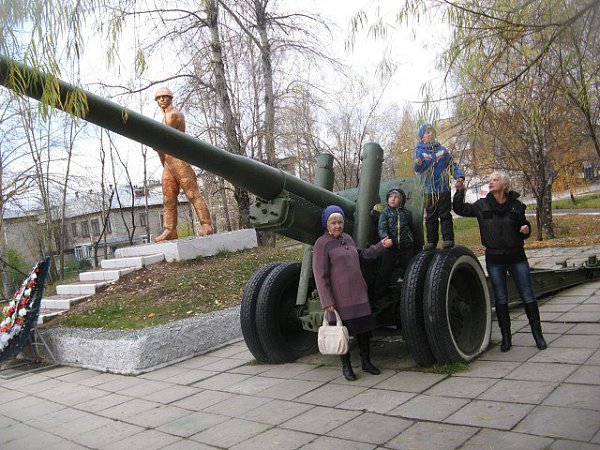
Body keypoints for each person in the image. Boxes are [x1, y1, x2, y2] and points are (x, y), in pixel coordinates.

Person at [453, 171, 547, 352]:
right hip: (495, 259)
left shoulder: (516, 206)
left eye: (495, 180)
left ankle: (538, 335)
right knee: (501, 298)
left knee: (528, 295)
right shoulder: (482, 205)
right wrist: (459, 191)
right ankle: (506, 338)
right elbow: (460, 209)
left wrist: (526, 229)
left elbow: (524, 227)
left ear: (504, 185)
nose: (491, 183)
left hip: (516, 256)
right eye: (490, 180)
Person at [312, 205, 393, 381]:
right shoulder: (321, 244)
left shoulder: (348, 238)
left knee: (364, 331)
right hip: (340, 299)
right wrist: (327, 301)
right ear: (326, 224)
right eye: (333, 223)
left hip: (359, 294)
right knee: (344, 334)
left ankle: (366, 362)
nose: (337, 226)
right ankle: (346, 367)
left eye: (340, 222)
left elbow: (363, 255)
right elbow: (320, 275)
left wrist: (381, 246)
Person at [154, 87, 213, 242]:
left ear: (171, 98)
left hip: (179, 160)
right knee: (168, 197)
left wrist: (159, 149)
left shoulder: (173, 115)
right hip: (169, 161)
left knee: (192, 193)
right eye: (159, 98)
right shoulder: (166, 116)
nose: (162, 100)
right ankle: (170, 230)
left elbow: (163, 140)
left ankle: (206, 224)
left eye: (165, 97)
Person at [414, 123, 464, 250]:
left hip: (443, 187)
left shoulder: (442, 150)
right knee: (431, 215)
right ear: (422, 137)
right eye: (427, 132)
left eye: (432, 132)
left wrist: (458, 176)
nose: (430, 134)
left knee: (445, 214)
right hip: (429, 189)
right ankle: (431, 240)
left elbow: (451, 164)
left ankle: (448, 238)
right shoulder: (419, 151)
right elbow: (418, 169)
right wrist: (419, 163)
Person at [374, 188, 414, 296]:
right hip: (391, 248)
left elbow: (411, 227)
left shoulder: (407, 213)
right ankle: (379, 295)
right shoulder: (385, 213)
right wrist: (385, 238)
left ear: (401, 200)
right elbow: (381, 228)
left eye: (396, 197)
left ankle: (409, 293)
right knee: (384, 271)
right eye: (391, 197)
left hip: (406, 247)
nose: (393, 199)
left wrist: (410, 238)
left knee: (410, 270)